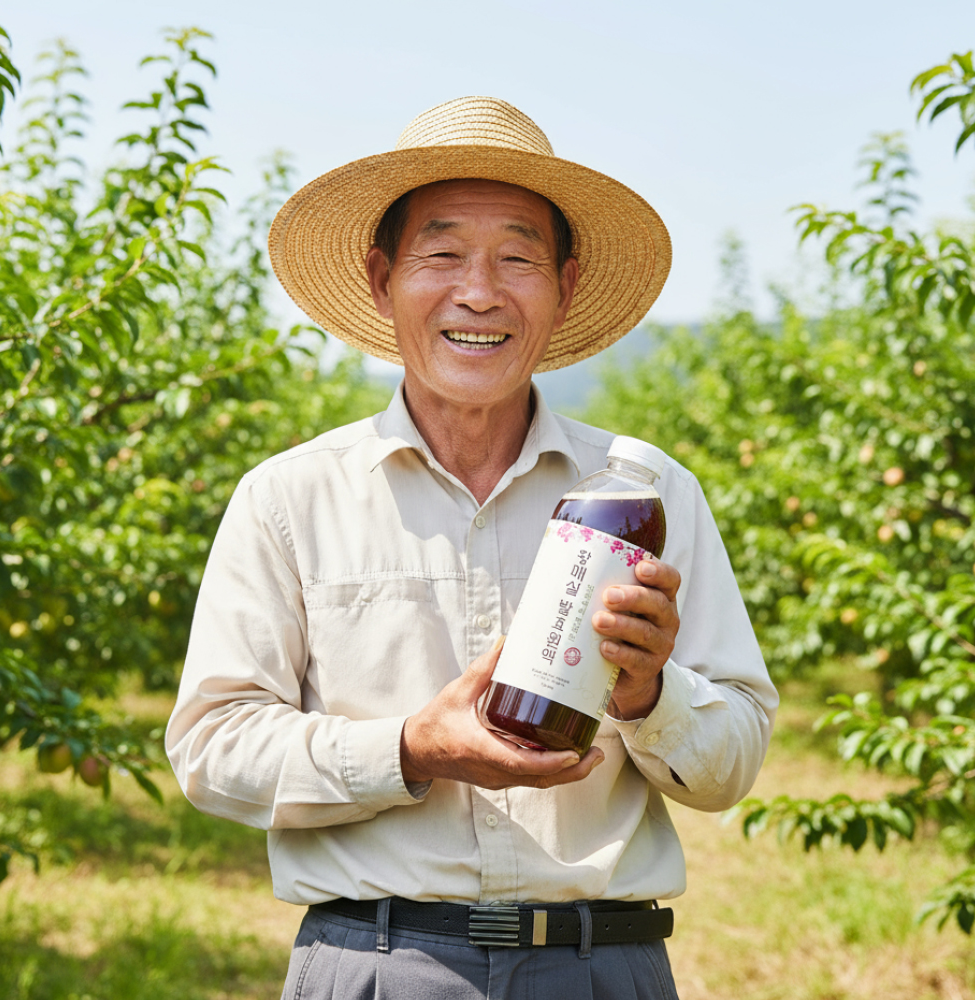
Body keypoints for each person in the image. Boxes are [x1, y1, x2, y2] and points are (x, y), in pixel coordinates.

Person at [166, 96, 778, 1000]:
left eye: (518, 259)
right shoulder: (292, 497)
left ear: (565, 287)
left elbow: (732, 761)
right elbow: (213, 749)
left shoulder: (645, 495)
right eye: (442, 253)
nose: (480, 292)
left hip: (603, 967)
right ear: (381, 279)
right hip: (376, 965)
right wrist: (412, 748)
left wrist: (650, 693)